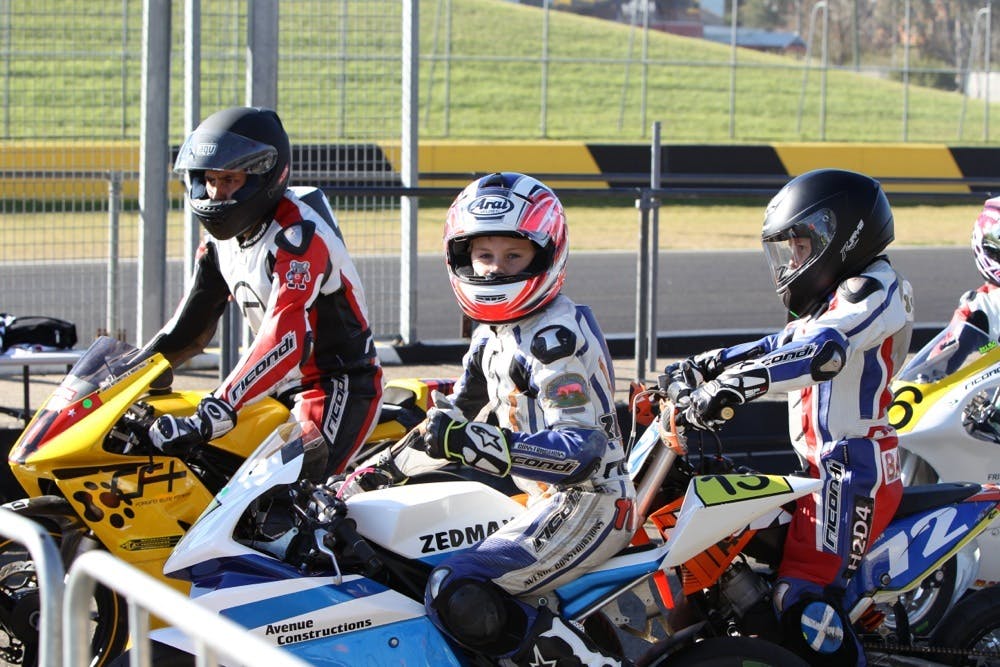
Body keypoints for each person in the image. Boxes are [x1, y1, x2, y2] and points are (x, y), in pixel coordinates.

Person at [356, 172, 636, 666]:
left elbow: (582, 450)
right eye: (484, 257)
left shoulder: (554, 339)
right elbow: (450, 417)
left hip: (591, 502)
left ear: (546, 255)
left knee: (455, 585)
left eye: (513, 256)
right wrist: (363, 479)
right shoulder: (494, 330)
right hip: (540, 499)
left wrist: (472, 443)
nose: (493, 271)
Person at [667, 168, 913, 666]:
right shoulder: (831, 297)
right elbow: (778, 345)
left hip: (852, 469)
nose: (791, 262)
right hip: (817, 467)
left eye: (799, 248)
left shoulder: (876, 289)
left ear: (838, 236)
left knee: (802, 598)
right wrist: (707, 365)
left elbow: (822, 350)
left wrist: (738, 386)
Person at [143, 106, 383, 478]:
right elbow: (188, 326)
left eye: (229, 181)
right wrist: (129, 378)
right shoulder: (220, 243)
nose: (216, 193)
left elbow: (284, 336)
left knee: (283, 499)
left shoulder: (299, 237)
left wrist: (219, 407)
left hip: (336, 384)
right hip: (273, 386)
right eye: (209, 180)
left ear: (262, 177)